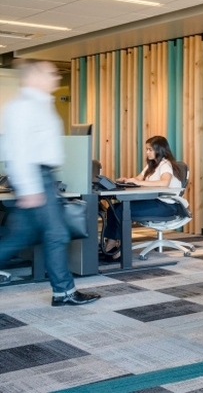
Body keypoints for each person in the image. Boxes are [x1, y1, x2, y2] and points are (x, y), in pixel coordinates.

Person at [0, 59, 100, 306]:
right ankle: (64, 291)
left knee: (28, 237)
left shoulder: (41, 104)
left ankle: (63, 291)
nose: (55, 78)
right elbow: (18, 151)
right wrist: (29, 187)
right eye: (50, 73)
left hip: (44, 177)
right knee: (51, 235)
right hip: (37, 177)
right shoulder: (23, 107)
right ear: (34, 76)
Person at [101, 135, 184, 262]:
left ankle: (120, 250)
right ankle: (111, 244)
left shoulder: (165, 164)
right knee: (114, 208)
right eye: (146, 149)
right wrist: (128, 180)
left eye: (150, 149)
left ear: (160, 150)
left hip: (167, 206)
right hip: (156, 202)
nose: (147, 152)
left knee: (121, 211)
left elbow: (165, 182)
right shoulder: (152, 165)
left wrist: (138, 182)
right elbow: (139, 178)